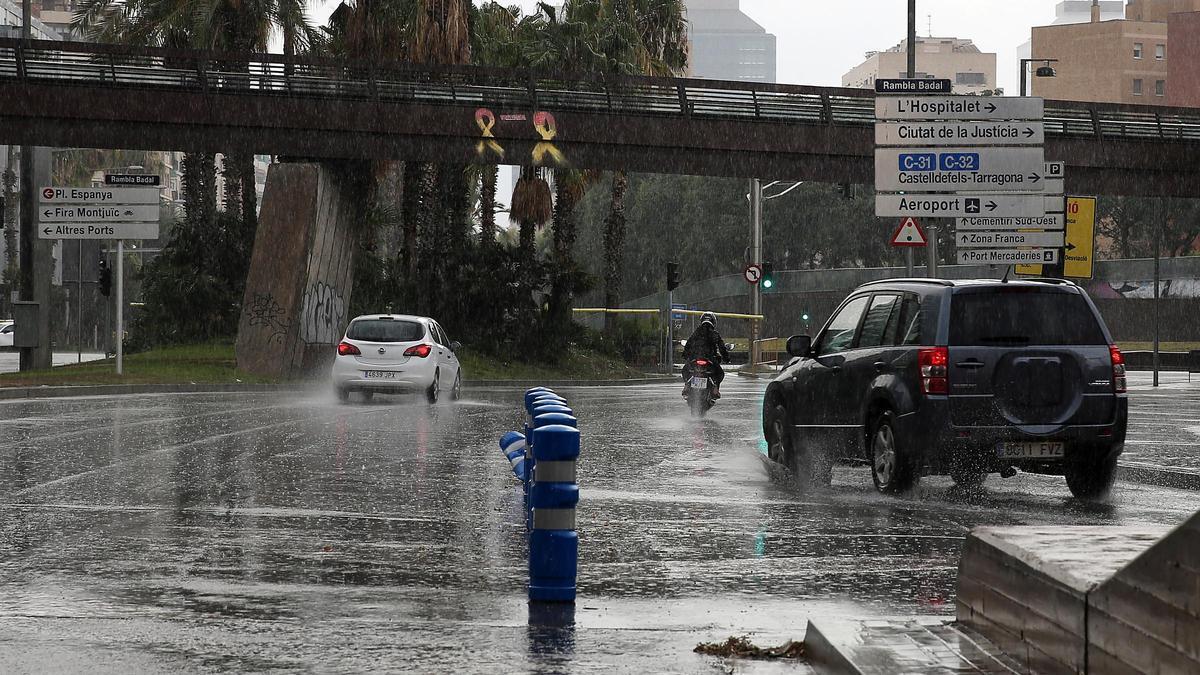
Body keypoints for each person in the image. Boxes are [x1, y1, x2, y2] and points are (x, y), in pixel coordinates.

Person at [682, 312, 730, 399]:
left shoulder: (696, 332)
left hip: (695, 357)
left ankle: (686, 385)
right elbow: (721, 347)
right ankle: (715, 388)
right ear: (714, 322)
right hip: (709, 358)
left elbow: (688, 344)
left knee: (685, 370)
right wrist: (726, 358)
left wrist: (685, 355)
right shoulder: (714, 333)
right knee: (720, 373)